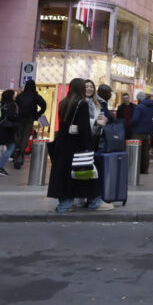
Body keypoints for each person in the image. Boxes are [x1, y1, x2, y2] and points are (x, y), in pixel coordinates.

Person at [47, 78, 113, 212]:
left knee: (66, 175)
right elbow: (83, 129)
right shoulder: (81, 104)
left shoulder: (63, 103)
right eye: (84, 87)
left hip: (63, 145)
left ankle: (65, 204)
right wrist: (88, 144)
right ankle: (95, 202)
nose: (86, 89)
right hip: (77, 145)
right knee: (87, 173)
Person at [13, 81, 48, 169]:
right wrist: (38, 113)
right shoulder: (35, 96)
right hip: (30, 118)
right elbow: (44, 105)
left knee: (19, 134)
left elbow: (15, 106)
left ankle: (17, 152)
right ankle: (21, 153)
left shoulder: (20, 96)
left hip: (19, 118)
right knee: (26, 135)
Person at [129, 91, 153, 175]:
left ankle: (135, 168)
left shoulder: (139, 107)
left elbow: (135, 119)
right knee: (145, 152)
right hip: (147, 132)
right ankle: (145, 169)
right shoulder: (152, 107)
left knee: (136, 151)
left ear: (139, 99)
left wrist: (130, 123)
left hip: (137, 131)